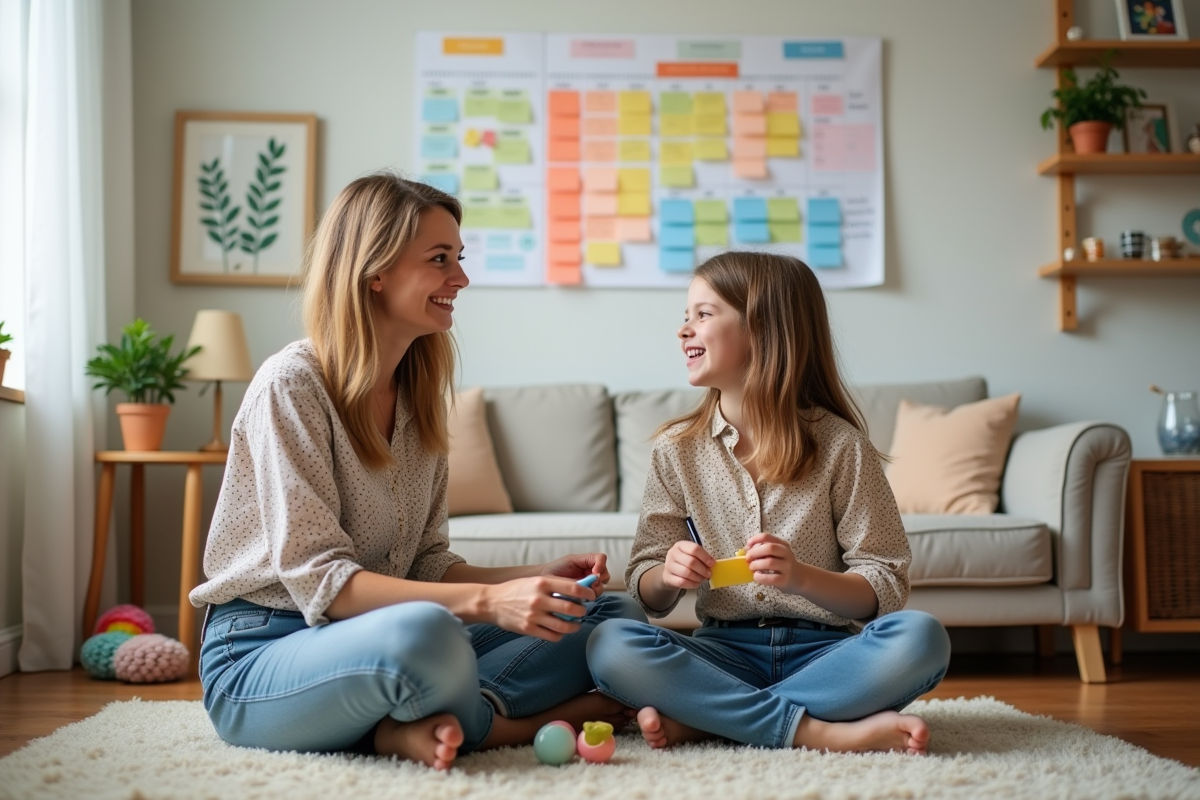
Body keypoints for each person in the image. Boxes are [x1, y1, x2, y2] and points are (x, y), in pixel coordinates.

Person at [189, 172, 643, 770]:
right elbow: (323, 585)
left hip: (384, 634)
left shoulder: (419, 395)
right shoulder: (291, 385)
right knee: (427, 635)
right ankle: (504, 723)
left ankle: (430, 716)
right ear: (375, 271)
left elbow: (427, 560)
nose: (461, 278)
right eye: (439, 259)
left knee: (610, 612)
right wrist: (489, 601)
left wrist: (533, 578)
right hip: (266, 648)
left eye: (459, 258)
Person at [587, 251, 950, 755]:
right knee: (611, 642)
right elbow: (648, 590)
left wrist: (802, 578)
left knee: (921, 638)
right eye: (685, 315)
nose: (683, 330)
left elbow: (885, 584)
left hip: (826, 653)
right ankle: (815, 730)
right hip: (721, 650)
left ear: (764, 329)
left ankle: (712, 717)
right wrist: (668, 574)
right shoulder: (677, 449)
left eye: (703, 314)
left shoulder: (842, 446)